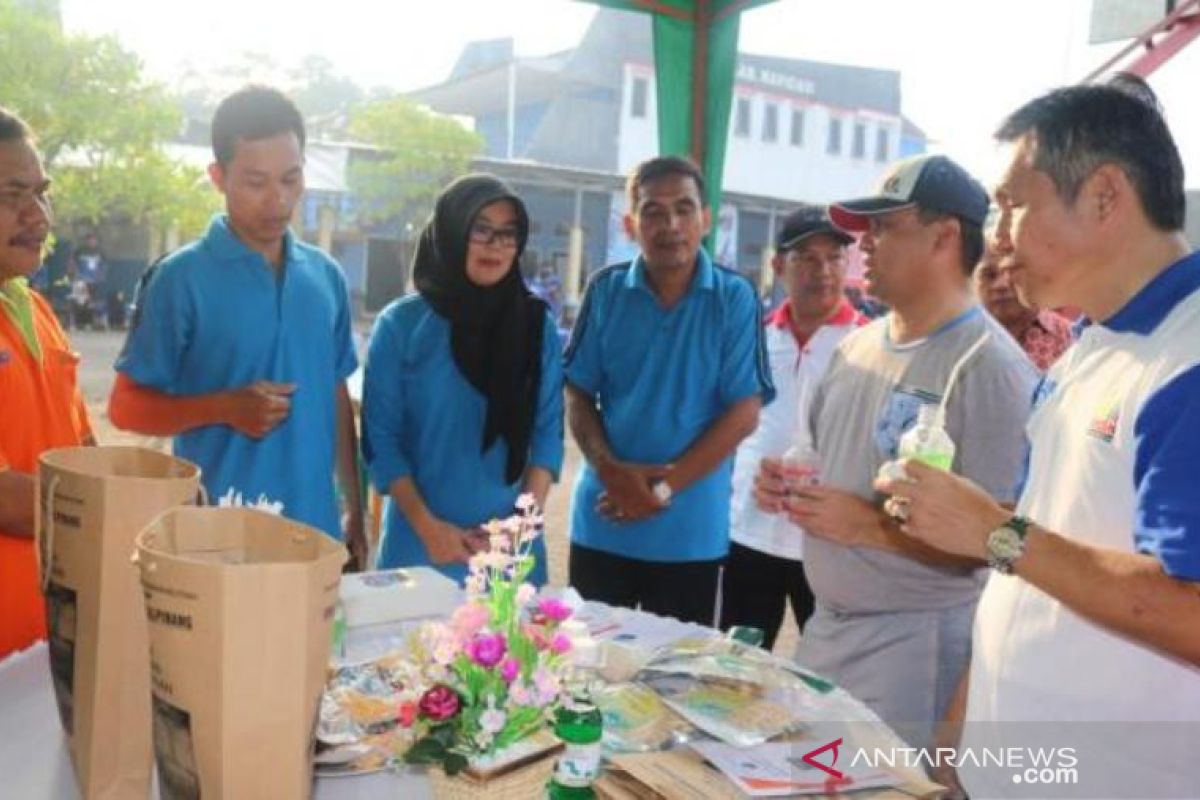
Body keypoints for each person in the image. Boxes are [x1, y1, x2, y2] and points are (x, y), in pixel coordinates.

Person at [877, 85, 1200, 797]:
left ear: (1105, 195)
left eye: (1013, 204)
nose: (995, 236)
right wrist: (961, 733)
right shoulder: (1091, 343)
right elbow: (1031, 557)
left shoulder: (1188, 358)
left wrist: (992, 530)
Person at [756, 154, 1037, 749]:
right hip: (829, 634)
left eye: (884, 228)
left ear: (944, 237)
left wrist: (869, 529)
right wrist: (786, 485)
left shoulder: (988, 368)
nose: (866, 245)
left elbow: (1004, 546)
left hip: (916, 648)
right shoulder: (855, 349)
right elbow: (819, 455)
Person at [108, 86, 365, 566]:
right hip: (218, 543)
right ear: (218, 177)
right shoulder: (179, 279)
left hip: (317, 537)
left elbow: (334, 395)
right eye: (256, 182)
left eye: (291, 178)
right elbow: (125, 408)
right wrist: (224, 407)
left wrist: (354, 508)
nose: (278, 199)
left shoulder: (326, 276)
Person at [564, 155, 774, 626]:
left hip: (689, 533)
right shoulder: (606, 290)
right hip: (603, 518)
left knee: (675, 685)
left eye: (683, 208)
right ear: (629, 223)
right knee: (586, 675)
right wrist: (608, 469)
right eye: (653, 211)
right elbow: (577, 393)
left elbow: (744, 414)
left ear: (705, 219)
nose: (670, 224)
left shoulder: (734, 297)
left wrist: (658, 490)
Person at [360, 174, 563, 583]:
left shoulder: (534, 327)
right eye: (480, 229)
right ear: (451, 232)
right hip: (419, 550)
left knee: (513, 646)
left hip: (509, 555)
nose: (495, 246)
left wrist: (519, 529)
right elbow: (381, 441)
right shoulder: (401, 326)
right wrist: (429, 528)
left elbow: (546, 438)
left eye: (508, 234)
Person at [720, 205, 864, 649]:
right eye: (806, 258)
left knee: (830, 671)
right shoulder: (756, 339)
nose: (822, 271)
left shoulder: (868, 346)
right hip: (749, 531)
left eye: (834, 258)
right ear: (779, 266)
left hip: (827, 543)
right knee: (737, 666)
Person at [0, 107, 94, 657]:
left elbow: (82, 450)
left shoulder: (35, 309)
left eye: (42, 194)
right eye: (13, 196)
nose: (38, 216)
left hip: (53, 646)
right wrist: (114, 510)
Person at [973, 242, 1072, 370]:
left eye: (1012, 273)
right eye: (989, 275)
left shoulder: (1068, 337)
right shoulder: (959, 339)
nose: (1002, 285)